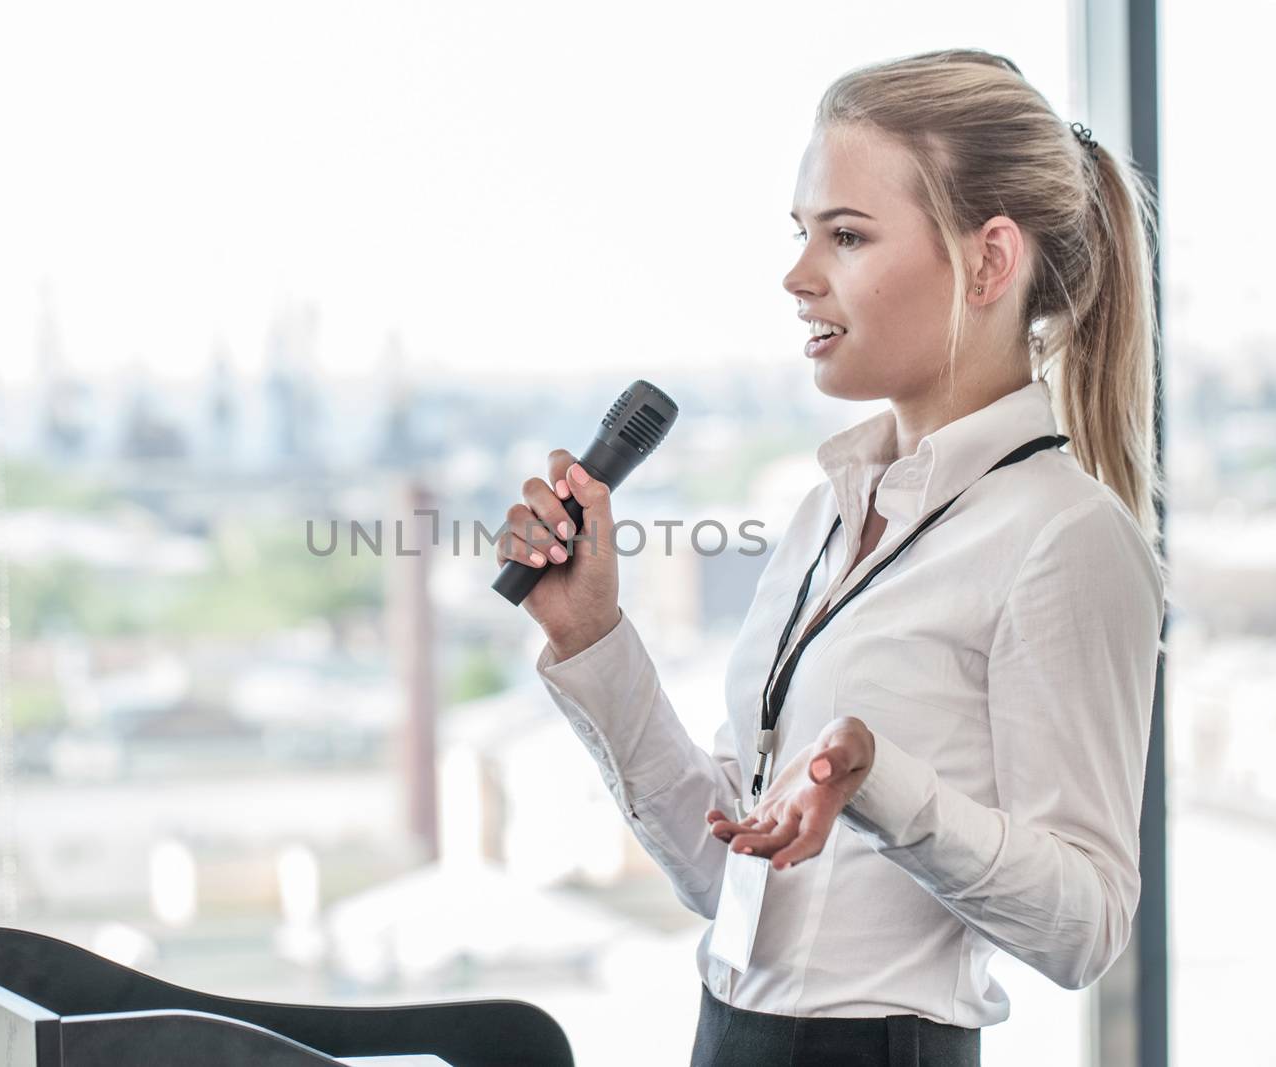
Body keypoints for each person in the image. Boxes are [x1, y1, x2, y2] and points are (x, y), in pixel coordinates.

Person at [493, 48, 1170, 1066]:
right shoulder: (824, 513)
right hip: (726, 1036)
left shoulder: (1064, 538)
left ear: (989, 261)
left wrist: (877, 782)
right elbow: (729, 875)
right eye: (802, 233)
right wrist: (590, 636)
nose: (796, 275)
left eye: (846, 235)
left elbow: (1084, 925)